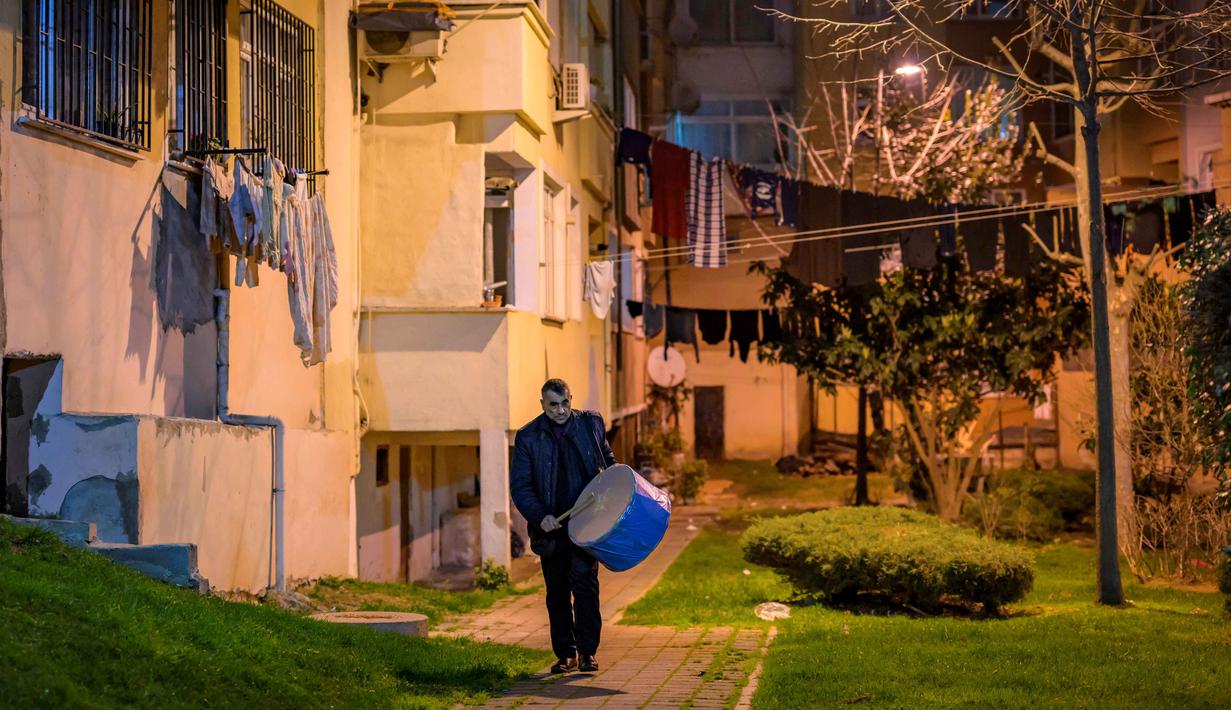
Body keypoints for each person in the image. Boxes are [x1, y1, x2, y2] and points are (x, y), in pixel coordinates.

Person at [510, 378, 616, 674]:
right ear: (542, 404)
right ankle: (566, 653)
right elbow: (520, 486)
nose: (560, 410)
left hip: (585, 524)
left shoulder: (590, 425)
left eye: (565, 402)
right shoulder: (528, 437)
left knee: (585, 587)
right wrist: (539, 515)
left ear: (572, 398)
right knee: (556, 592)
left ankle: (587, 653)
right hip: (552, 527)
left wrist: (612, 491)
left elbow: (607, 462)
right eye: (553, 404)